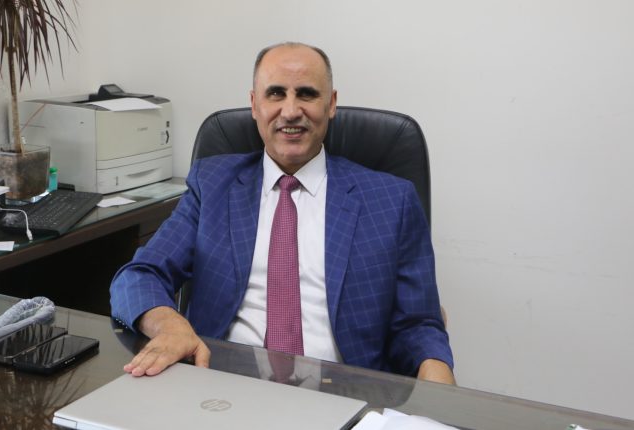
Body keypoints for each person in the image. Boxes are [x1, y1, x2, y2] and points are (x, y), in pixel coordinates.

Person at [110, 42, 455, 384]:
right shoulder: (213, 185)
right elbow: (139, 275)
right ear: (254, 105)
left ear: (331, 104)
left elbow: (418, 324)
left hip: (345, 395)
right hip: (220, 389)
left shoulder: (391, 200)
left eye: (307, 94)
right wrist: (170, 327)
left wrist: (439, 387)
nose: (290, 111)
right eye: (275, 94)